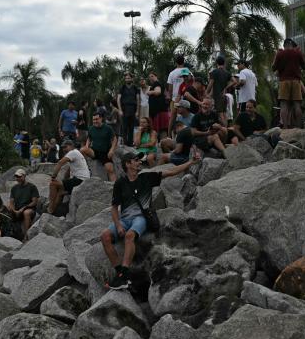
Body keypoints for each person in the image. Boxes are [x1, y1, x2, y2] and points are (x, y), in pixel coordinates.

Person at [100, 151, 200, 289]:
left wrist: (190, 162)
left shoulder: (146, 178)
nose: (140, 162)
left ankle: (123, 274)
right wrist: (117, 226)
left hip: (141, 218)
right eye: (136, 160)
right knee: (105, 236)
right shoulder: (120, 183)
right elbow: (114, 207)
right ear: (128, 164)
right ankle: (121, 275)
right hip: (125, 220)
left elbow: (171, 172)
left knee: (130, 236)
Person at [48, 139, 91, 215]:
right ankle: (54, 212)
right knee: (60, 190)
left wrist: (53, 177)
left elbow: (60, 163)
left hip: (79, 180)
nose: (64, 149)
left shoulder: (72, 152)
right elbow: (68, 170)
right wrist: (63, 181)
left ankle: (50, 208)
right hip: (83, 180)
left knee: (53, 184)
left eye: (65, 147)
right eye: (63, 148)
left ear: (71, 146)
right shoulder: (77, 153)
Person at [272, 38, 305, 128]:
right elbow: (304, 66)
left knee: (284, 105)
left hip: (284, 81)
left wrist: (276, 55)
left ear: (284, 45)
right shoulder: (298, 53)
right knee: (297, 105)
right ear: (291, 44)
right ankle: (299, 127)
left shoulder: (280, 54)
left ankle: (285, 127)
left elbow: (273, 68)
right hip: (296, 81)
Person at [81, 113, 118, 182]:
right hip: (94, 151)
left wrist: (112, 150)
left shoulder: (108, 128)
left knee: (110, 169)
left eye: (96, 119)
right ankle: (85, 167)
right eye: (93, 120)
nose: (95, 121)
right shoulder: (91, 128)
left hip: (105, 152)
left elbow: (114, 139)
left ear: (101, 119)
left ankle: (115, 187)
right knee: (82, 149)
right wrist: (87, 146)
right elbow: (89, 138)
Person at [9, 168, 38, 239]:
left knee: (26, 213)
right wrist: (14, 210)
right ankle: (9, 232)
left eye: (19, 177)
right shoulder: (14, 188)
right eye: (16, 177)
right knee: (7, 207)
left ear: (24, 176)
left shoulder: (32, 187)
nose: (17, 178)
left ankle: (26, 235)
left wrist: (23, 208)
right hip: (17, 209)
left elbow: (34, 202)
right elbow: (11, 202)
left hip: (29, 208)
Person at [207, 55, 233, 125]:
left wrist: (206, 93)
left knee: (220, 115)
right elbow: (234, 81)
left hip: (217, 96)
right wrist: (225, 88)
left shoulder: (214, 72)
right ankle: (226, 130)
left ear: (216, 63)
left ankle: (225, 130)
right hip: (224, 96)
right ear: (224, 63)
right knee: (224, 114)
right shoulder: (227, 73)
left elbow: (210, 84)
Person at [118, 73, 141, 146]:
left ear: (132, 79)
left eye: (129, 78)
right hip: (124, 108)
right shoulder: (122, 87)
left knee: (131, 127)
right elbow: (118, 99)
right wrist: (120, 110)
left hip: (133, 108)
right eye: (126, 78)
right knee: (124, 127)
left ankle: (130, 143)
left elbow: (138, 99)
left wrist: (137, 111)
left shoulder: (135, 88)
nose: (127, 79)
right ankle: (125, 143)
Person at [167, 55, 187, 136]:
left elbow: (170, 88)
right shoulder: (187, 70)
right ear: (183, 62)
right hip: (185, 98)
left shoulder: (172, 73)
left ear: (176, 62)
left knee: (172, 118)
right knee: (184, 116)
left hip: (175, 99)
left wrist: (171, 97)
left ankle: (169, 135)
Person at [147, 72, 169, 137]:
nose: (150, 78)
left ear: (156, 76)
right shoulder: (158, 84)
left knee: (161, 128)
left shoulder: (157, 83)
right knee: (161, 128)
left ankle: (161, 143)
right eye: (149, 77)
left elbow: (158, 92)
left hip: (158, 111)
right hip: (157, 110)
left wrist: (150, 92)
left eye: (152, 76)